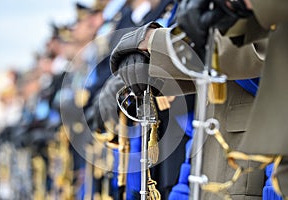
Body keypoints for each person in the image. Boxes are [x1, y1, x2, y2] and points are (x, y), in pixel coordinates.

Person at [109, 7, 268, 200]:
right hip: (212, 154)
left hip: (253, 158)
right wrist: (148, 67)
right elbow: (204, 69)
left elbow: (258, 48)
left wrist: (152, 42)